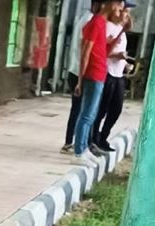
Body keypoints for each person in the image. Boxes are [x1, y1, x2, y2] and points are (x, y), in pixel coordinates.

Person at [73, 0, 125, 164]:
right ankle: (79, 151)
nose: (120, 12)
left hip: (100, 73)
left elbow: (103, 51)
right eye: (119, 8)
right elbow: (86, 52)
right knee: (86, 114)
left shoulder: (101, 23)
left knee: (92, 114)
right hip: (93, 73)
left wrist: (120, 33)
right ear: (111, 4)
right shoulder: (96, 23)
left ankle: (84, 148)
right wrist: (80, 80)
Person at [92, 1, 135, 153]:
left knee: (116, 109)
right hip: (107, 72)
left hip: (119, 74)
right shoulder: (108, 27)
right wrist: (118, 55)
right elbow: (102, 51)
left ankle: (103, 136)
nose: (126, 15)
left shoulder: (122, 32)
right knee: (102, 109)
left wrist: (125, 63)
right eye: (123, 11)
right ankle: (94, 138)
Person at [61, 1, 102, 154]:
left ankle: (74, 142)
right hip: (81, 72)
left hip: (77, 70)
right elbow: (85, 52)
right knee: (82, 111)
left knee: (81, 110)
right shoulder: (90, 22)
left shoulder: (85, 19)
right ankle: (75, 144)